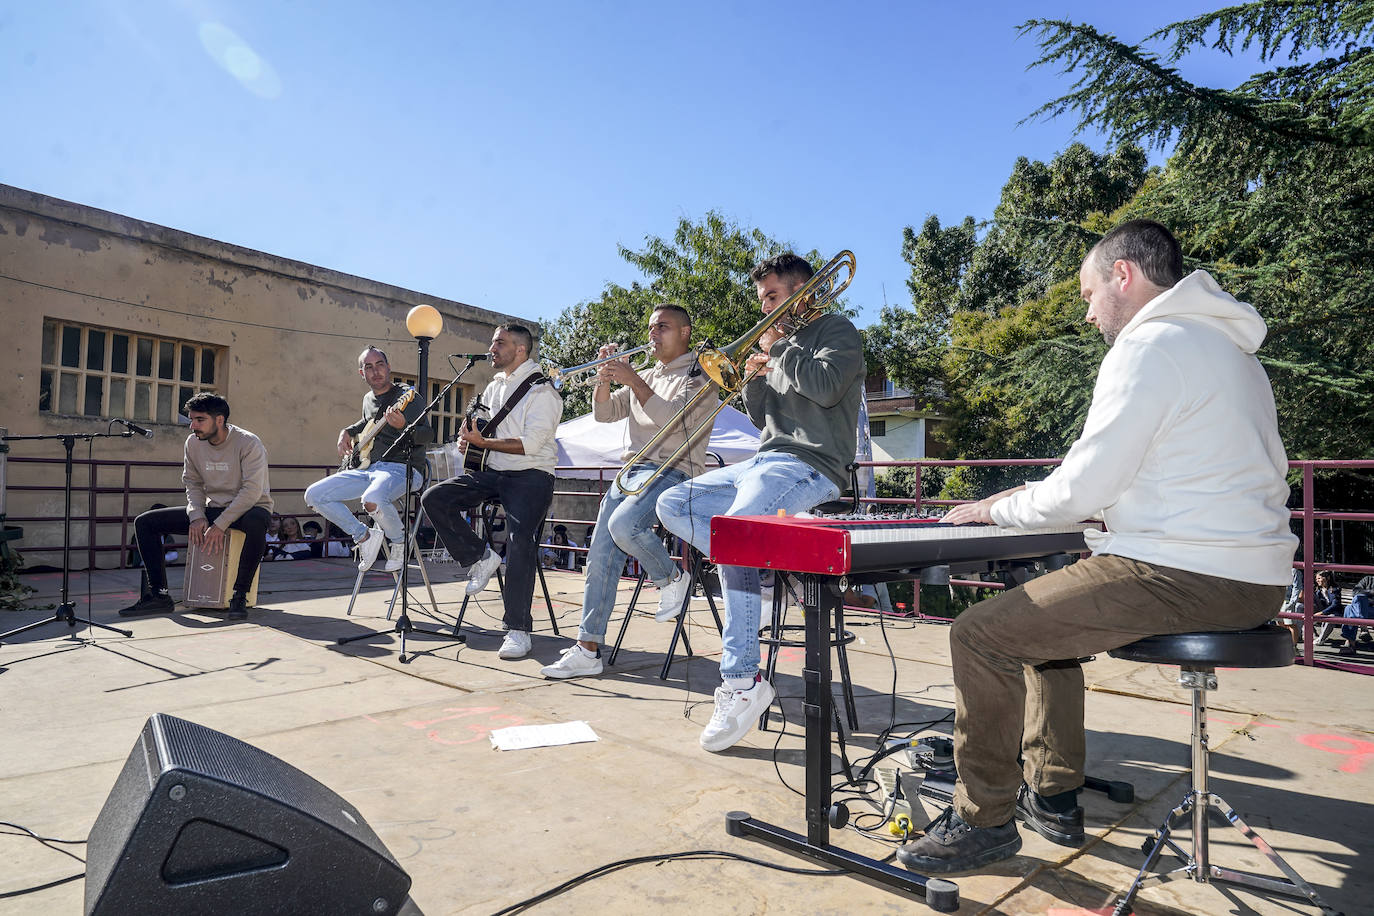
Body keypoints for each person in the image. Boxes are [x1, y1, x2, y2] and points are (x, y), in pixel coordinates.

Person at [894, 220, 1296, 874]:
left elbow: (1082, 490)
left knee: (981, 634)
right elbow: (1129, 474)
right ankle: (1053, 793)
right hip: (1251, 573)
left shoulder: (1150, 346)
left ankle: (982, 819)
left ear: (1123, 276)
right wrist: (1017, 500)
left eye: (1088, 293)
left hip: (1186, 574)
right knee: (1042, 624)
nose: (1086, 313)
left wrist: (998, 513)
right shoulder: (1226, 350)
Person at [655, 254, 866, 751]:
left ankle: (742, 681)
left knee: (734, 531)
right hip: (765, 461)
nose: (765, 309)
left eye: (772, 298)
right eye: (763, 301)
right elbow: (765, 420)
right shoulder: (782, 348)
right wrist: (753, 379)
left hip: (812, 465)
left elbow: (827, 387)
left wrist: (779, 352)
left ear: (801, 292)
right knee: (672, 503)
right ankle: (767, 563)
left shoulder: (838, 332)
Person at [540, 304, 717, 680]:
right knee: (599, 558)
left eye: (663, 327)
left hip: (675, 471)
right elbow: (604, 415)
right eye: (651, 327)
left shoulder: (701, 374)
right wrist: (604, 378)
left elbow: (673, 419)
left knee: (624, 526)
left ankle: (672, 579)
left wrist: (634, 380)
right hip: (632, 472)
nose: (652, 334)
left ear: (684, 332)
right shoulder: (649, 374)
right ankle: (588, 649)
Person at [420, 324, 562, 660]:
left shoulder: (544, 392)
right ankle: (480, 557)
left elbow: (531, 445)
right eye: (493, 342)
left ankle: (517, 629)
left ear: (521, 350)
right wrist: (468, 438)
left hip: (531, 475)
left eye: (500, 343)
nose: (492, 348)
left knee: (520, 542)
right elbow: (482, 426)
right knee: (434, 498)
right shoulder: (494, 386)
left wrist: (483, 442)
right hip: (494, 471)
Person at [119, 392, 274, 620]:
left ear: (219, 420)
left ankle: (239, 595)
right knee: (145, 522)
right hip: (212, 508)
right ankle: (159, 595)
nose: (193, 426)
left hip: (248, 508)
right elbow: (192, 483)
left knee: (257, 522)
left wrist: (220, 525)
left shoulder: (249, 443)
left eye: (200, 420)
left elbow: (251, 492)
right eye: (191, 419)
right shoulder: (193, 443)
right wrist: (197, 516)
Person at [304, 346, 427, 576]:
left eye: (380, 364)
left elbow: (428, 435)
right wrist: (346, 431)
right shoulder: (368, 399)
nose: (376, 371)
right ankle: (363, 536)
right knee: (314, 495)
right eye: (368, 367)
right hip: (368, 468)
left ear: (389, 367)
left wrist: (404, 428)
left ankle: (400, 542)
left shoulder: (408, 397)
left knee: (372, 499)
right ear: (362, 373)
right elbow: (367, 423)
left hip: (405, 468)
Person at [1339, 575, 1374, 656]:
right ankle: (1363, 627)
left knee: (1349, 609)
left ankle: (1350, 643)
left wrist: (1366, 593)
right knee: (1358, 600)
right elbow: (1355, 592)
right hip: (1364, 609)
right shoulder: (1368, 579)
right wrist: (1371, 593)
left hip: (1371, 609)